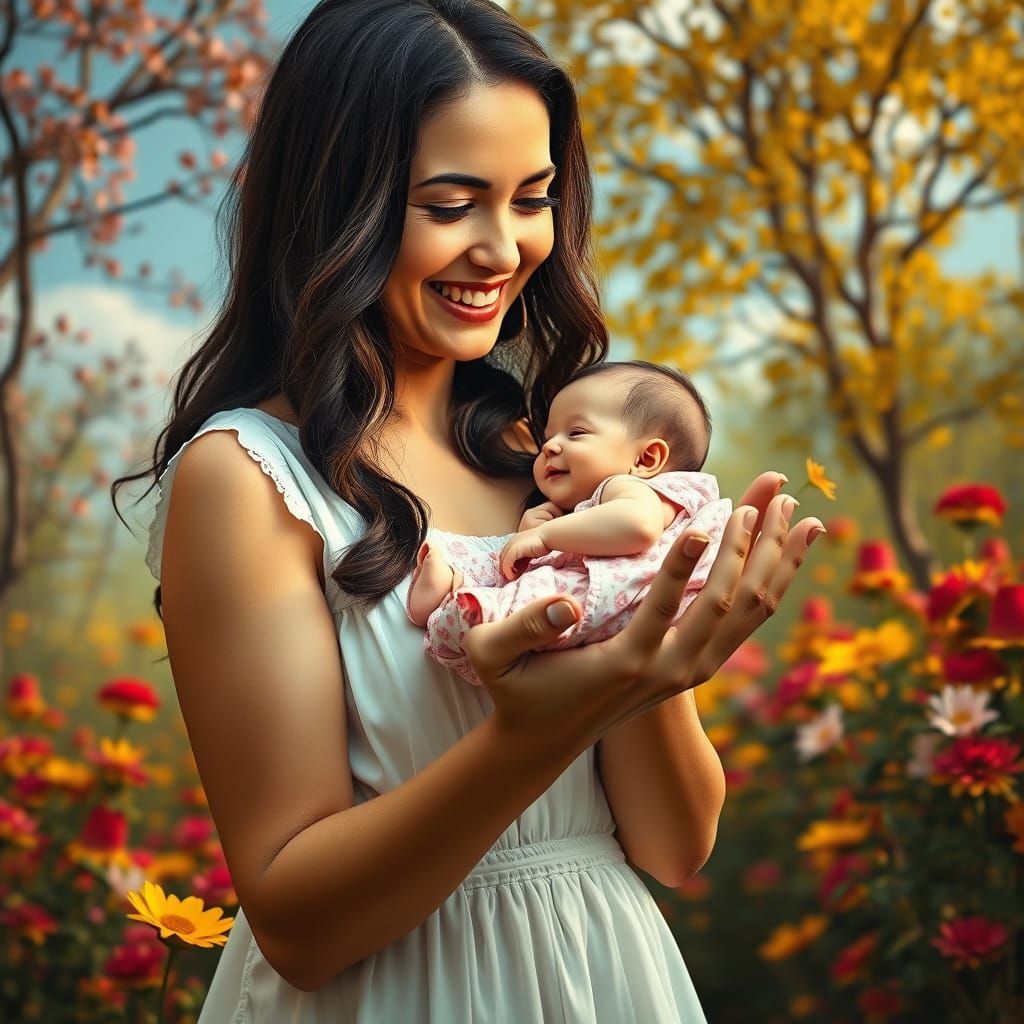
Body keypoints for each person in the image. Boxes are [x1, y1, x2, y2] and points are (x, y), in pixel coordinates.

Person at [113, 1, 825, 1020]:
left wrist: (654, 651)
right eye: (451, 204)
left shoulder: (541, 466)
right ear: (338, 206)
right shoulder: (249, 477)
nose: (504, 248)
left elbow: (673, 846)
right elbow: (301, 927)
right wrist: (539, 726)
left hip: (603, 978)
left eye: (531, 198)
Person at [407, 360, 734, 687]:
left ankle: (465, 604)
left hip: (601, 596)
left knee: (538, 594)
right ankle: (451, 583)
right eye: (548, 436)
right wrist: (534, 534)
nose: (549, 446)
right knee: (505, 560)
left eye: (576, 433)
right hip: (602, 607)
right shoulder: (593, 505)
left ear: (644, 459)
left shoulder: (629, 488)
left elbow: (638, 525)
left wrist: (547, 535)